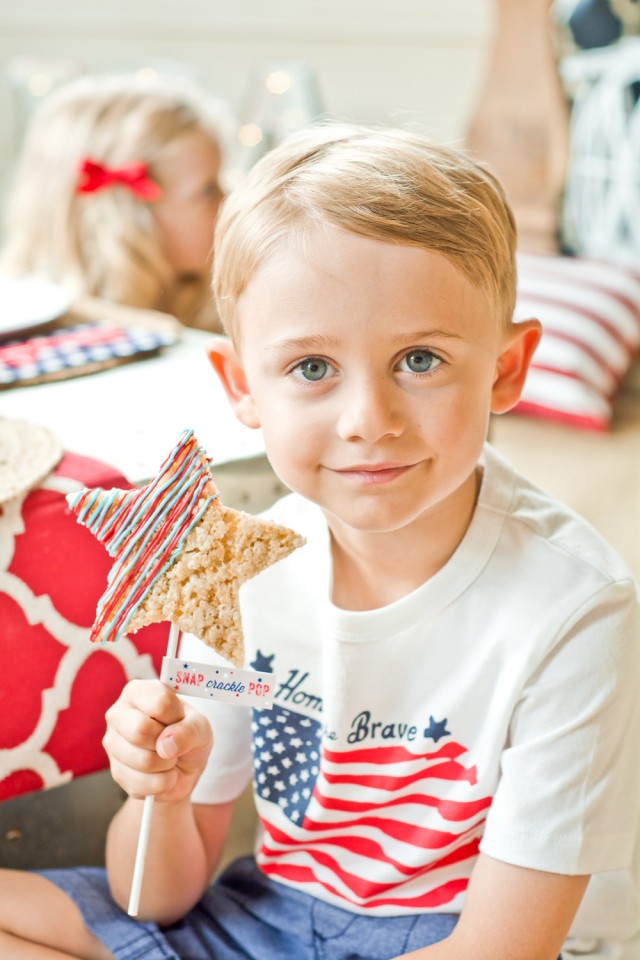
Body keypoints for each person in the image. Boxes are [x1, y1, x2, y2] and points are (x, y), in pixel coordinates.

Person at [0, 124, 638, 960]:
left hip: (452, 936)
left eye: (420, 358)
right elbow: (156, 898)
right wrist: (157, 791)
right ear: (243, 388)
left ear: (505, 369)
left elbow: (501, 949)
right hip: (270, 913)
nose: (368, 420)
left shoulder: (572, 606)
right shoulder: (239, 574)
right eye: (310, 368)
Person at [0, 71, 227, 331]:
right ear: (129, 216)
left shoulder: (216, 305)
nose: (231, 200)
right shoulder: (26, 327)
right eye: (208, 190)